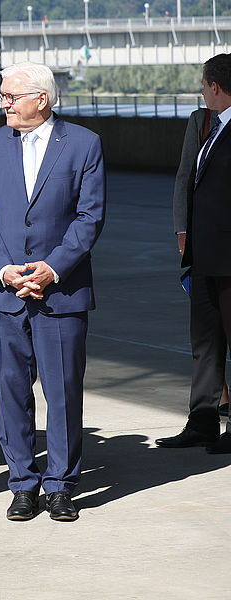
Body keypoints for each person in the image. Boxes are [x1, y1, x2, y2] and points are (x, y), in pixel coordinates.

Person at [0, 61, 106, 522]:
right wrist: (5, 269)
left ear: (41, 99)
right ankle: (22, 483)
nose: (1, 102)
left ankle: (61, 486)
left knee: (63, 391)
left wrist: (52, 269)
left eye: (10, 95)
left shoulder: (84, 144)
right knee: (9, 393)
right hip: (3, 293)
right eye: (2, 96)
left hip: (61, 294)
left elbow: (89, 218)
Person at [158, 53, 231, 453]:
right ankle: (202, 422)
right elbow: (187, 179)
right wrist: (185, 235)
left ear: (215, 86)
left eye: (204, 85)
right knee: (205, 342)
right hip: (205, 255)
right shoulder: (207, 125)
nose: (202, 92)